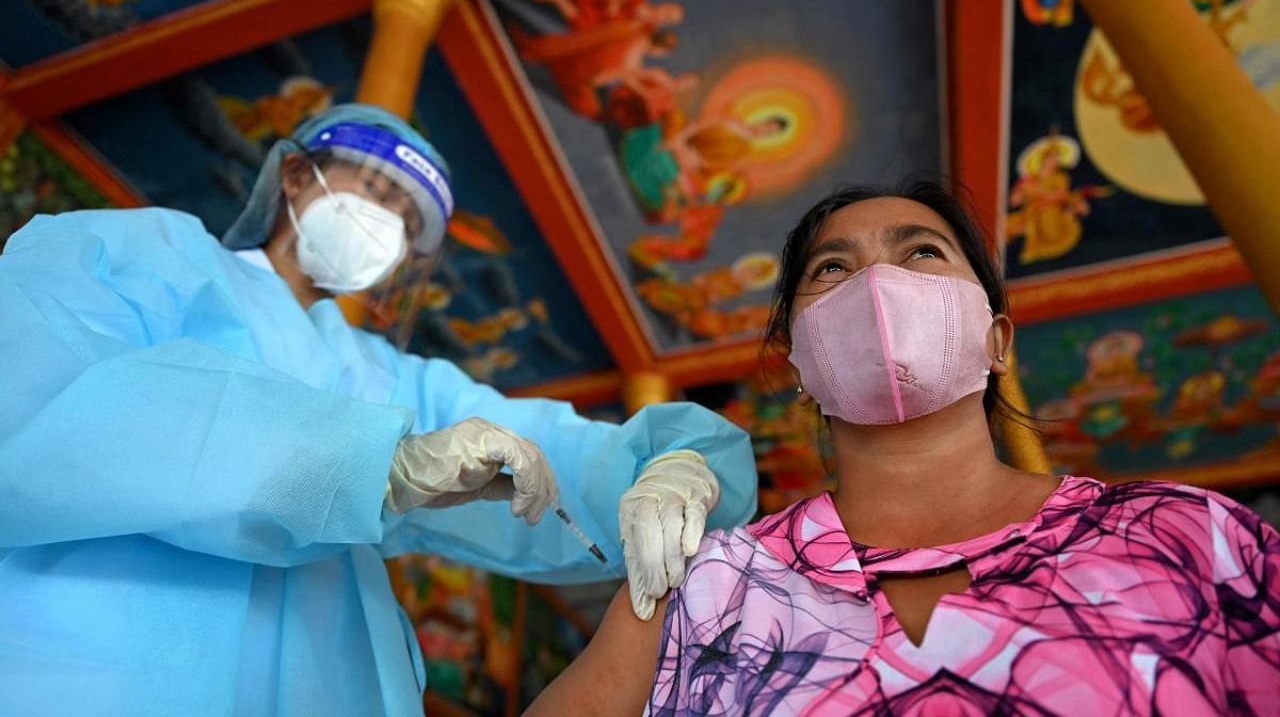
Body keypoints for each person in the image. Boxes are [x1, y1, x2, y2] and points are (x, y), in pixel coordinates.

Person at [0, 104, 758, 716]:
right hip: (98, 664)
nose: (384, 224)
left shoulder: (386, 376)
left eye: (404, 218)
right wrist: (362, 463)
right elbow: (39, 393)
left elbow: (542, 455)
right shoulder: (147, 253)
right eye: (374, 190)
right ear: (296, 177)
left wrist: (675, 463)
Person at [527, 181, 1280, 715]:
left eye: (921, 253)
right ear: (799, 360)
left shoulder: (1185, 536)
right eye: (832, 268)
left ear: (998, 338)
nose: (878, 282)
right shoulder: (703, 590)